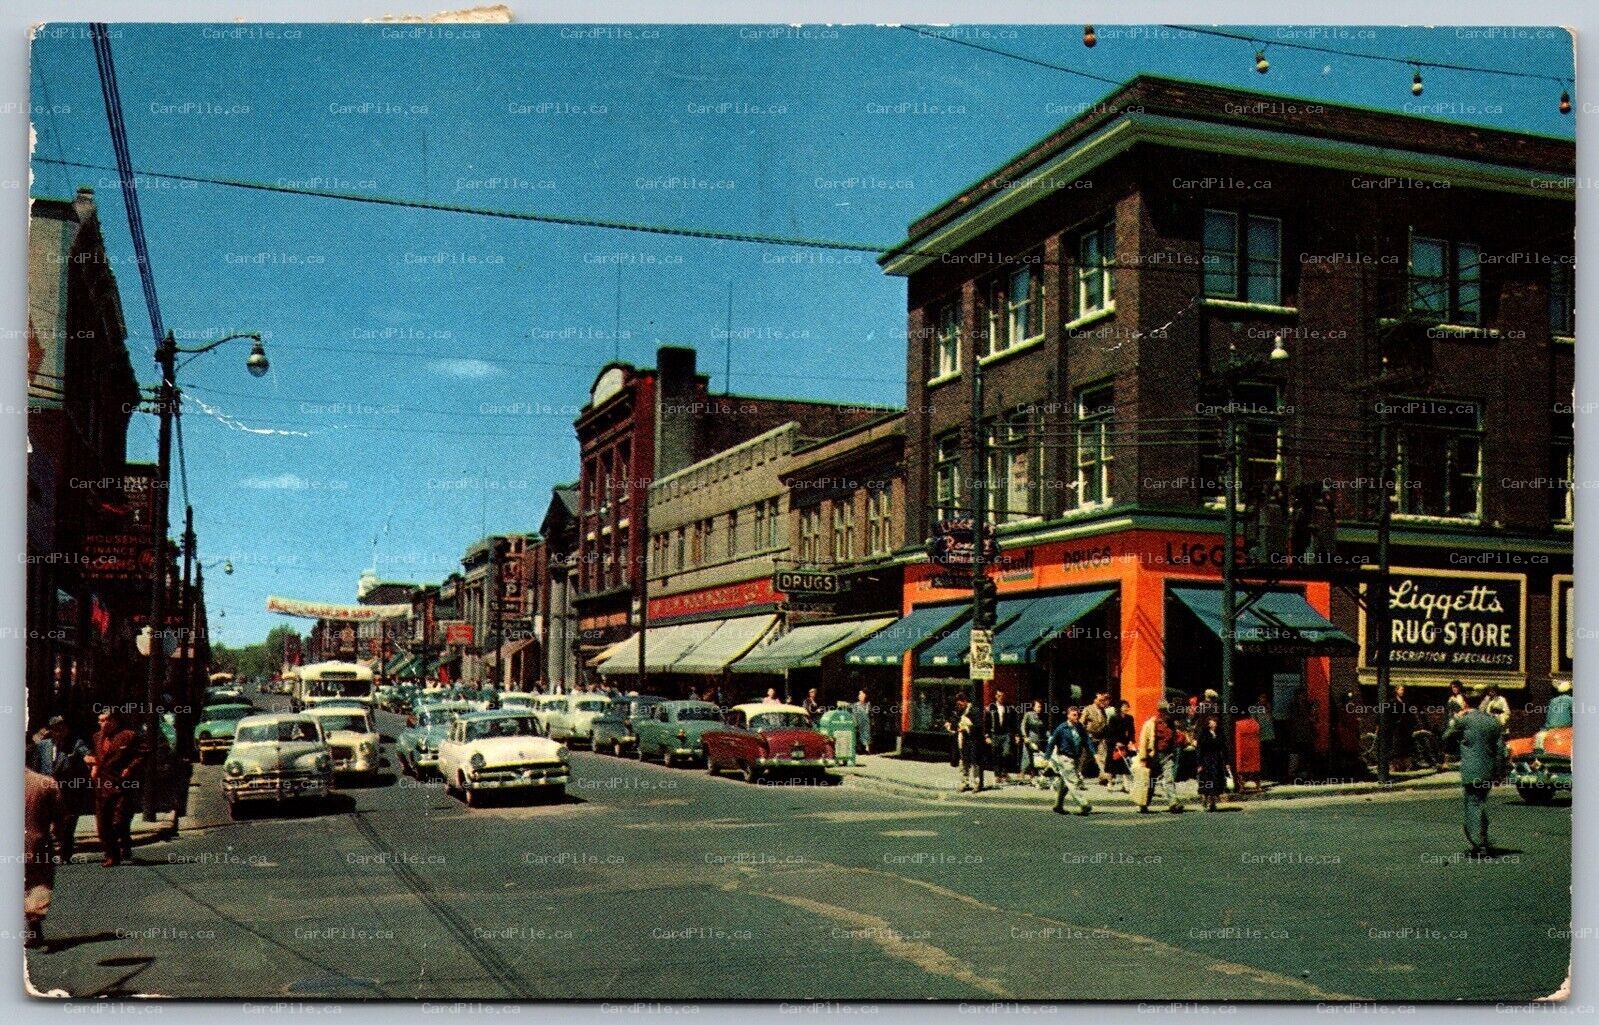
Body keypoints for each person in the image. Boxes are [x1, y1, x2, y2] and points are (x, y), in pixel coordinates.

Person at [1442, 688, 1505, 856]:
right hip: (1488, 770)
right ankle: (1482, 836)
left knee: (1472, 802)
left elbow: (1446, 738)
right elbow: (1500, 750)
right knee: (1480, 801)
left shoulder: (1465, 721)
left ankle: (1479, 842)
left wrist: (1455, 722)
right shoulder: (1493, 722)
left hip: (1471, 770)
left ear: (1466, 702)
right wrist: (1499, 773)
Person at [89, 709, 145, 867]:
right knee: (103, 825)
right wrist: (92, 763)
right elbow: (96, 756)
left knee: (118, 822)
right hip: (102, 786)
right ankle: (111, 855)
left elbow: (143, 754)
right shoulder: (96, 737)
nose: (102, 724)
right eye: (99, 720)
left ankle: (123, 843)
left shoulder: (128, 735)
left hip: (122, 786)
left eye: (105, 720)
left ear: (114, 721)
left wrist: (130, 768)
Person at [32, 715, 89, 865]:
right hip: (47, 791)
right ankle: (46, 854)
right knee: (46, 824)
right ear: (51, 731)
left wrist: (89, 759)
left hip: (69, 792)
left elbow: (85, 754)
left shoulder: (76, 744)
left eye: (63, 728)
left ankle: (66, 854)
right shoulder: (42, 745)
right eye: (56, 729)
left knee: (68, 824)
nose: (60, 732)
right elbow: (37, 767)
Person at [25, 750, 67, 950]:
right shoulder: (46, 783)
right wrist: (59, 834)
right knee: (39, 882)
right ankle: (34, 925)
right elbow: (60, 815)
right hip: (37, 842)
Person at [1137, 700, 1184, 813]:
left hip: (1167, 755)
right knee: (1150, 781)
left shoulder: (1171, 724)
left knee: (1169, 779)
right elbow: (1144, 741)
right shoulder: (1151, 724)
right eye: (1166, 711)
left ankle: (1173, 803)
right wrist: (1143, 758)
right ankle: (1144, 803)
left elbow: (1175, 738)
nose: (1168, 713)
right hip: (1153, 756)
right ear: (1160, 711)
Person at [1045, 707, 1092, 815]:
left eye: (1077, 715)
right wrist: (1047, 758)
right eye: (1074, 715)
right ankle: (1083, 804)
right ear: (1068, 716)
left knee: (1065, 784)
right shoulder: (1062, 728)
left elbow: (1086, 740)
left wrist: (1094, 753)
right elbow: (1052, 743)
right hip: (1064, 758)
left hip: (1075, 758)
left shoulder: (1079, 727)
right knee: (1072, 781)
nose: (1077, 717)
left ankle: (1058, 805)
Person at [948, 695, 984, 793]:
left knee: (975, 763)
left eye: (960, 703)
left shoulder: (975, 710)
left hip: (974, 740)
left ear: (964, 701)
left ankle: (977, 784)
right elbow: (954, 720)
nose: (958, 706)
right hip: (963, 740)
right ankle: (964, 783)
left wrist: (967, 728)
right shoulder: (959, 711)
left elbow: (979, 726)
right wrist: (950, 724)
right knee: (963, 761)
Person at [1195, 714, 1228, 812]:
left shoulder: (1220, 733)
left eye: (1216, 722)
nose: (1214, 724)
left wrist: (1226, 762)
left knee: (1215, 781)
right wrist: (1199, 764)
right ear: (1208, 724)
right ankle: (1205, 798)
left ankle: (1213, 802)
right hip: (1206, 760)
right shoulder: (1204, 734)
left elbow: (1224, 748)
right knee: (1207, 781)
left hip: (1217, 760)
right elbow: (1199, 749)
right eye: (1212, 722)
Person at [983, 692, 1017, 785]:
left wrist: (1016, 735)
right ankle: (997, 775)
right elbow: (986, 722)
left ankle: (1004, 772)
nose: (999, 697)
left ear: (1004, 696)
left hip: (1006, 734)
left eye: (1001, 695)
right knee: (996, 754)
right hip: (995, 734)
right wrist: (986, 735)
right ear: (995, 696)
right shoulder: (991, 707)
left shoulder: (1009, 707)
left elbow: (1014, 723)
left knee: (1006, 753)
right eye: (997, 695)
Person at [1080, 691, 1112, 784]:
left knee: (1102, 757)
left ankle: (1103, 777)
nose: (1102, 702)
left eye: (1103, 700)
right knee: (1085, 758)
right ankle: (1078, 775)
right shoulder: (1088, 709)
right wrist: (1084, 734)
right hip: (1089, 737)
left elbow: (1105, 723)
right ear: (1095, 700)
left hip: (1100, 737)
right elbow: (1082, 723)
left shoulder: (1103, 711)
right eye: (1100, 700)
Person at [1105, 699, 1135, 792]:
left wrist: (1131, 741)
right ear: (1120, 708)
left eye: (1127, 706)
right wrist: (1115, 742)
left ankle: (1126, 786)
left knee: (1126, 765)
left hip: (1124, 742)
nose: (1126, 708)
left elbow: (1131, 731)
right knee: (1111, 766)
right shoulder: (1113, 718)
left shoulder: (1129, 718)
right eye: (1124, 706)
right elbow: (1109, 732)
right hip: (1113, 743)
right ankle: (1109, 783)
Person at [1019, 699, 1048, 784]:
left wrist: (1050, 737)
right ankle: (1022, 774)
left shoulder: (1041, 716)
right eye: (1038, 706)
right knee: (1026, 757)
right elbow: (1022, 726)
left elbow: (1044, 729)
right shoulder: (1028, 714)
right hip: (1029, 739)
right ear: (1033, 707)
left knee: (1035, 758)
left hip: (1037, 739)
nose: (1040, 708)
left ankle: (1033, 776)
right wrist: (1025, 736)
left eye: (1040, 707)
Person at [1251, 692, 1279, 779]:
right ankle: (1261, 773)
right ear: (1258, 698)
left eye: (1265, 697)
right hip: (1260, 735)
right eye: (1262, 697)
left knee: (1269, 754)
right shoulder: (1254, 708)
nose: (1264, 699)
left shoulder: (1269, 707)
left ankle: (1269, 773)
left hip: (1270, 734)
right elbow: (1253, 720)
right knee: (1261, 755)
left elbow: (1272, 718)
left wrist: (1269, 710)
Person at [850, 690, 873, 755]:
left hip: (866, 723)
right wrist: (854, 722)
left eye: (861, 694)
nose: (859, 696)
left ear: (865, 695)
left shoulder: (868, 705)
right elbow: (854, 714)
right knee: (858, 735)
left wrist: (872, 722)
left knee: (866, 735)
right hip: (858, 722)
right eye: (859, 694)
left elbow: (871, 715)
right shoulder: (856, 705)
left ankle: (867, 748)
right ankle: (858, 749)